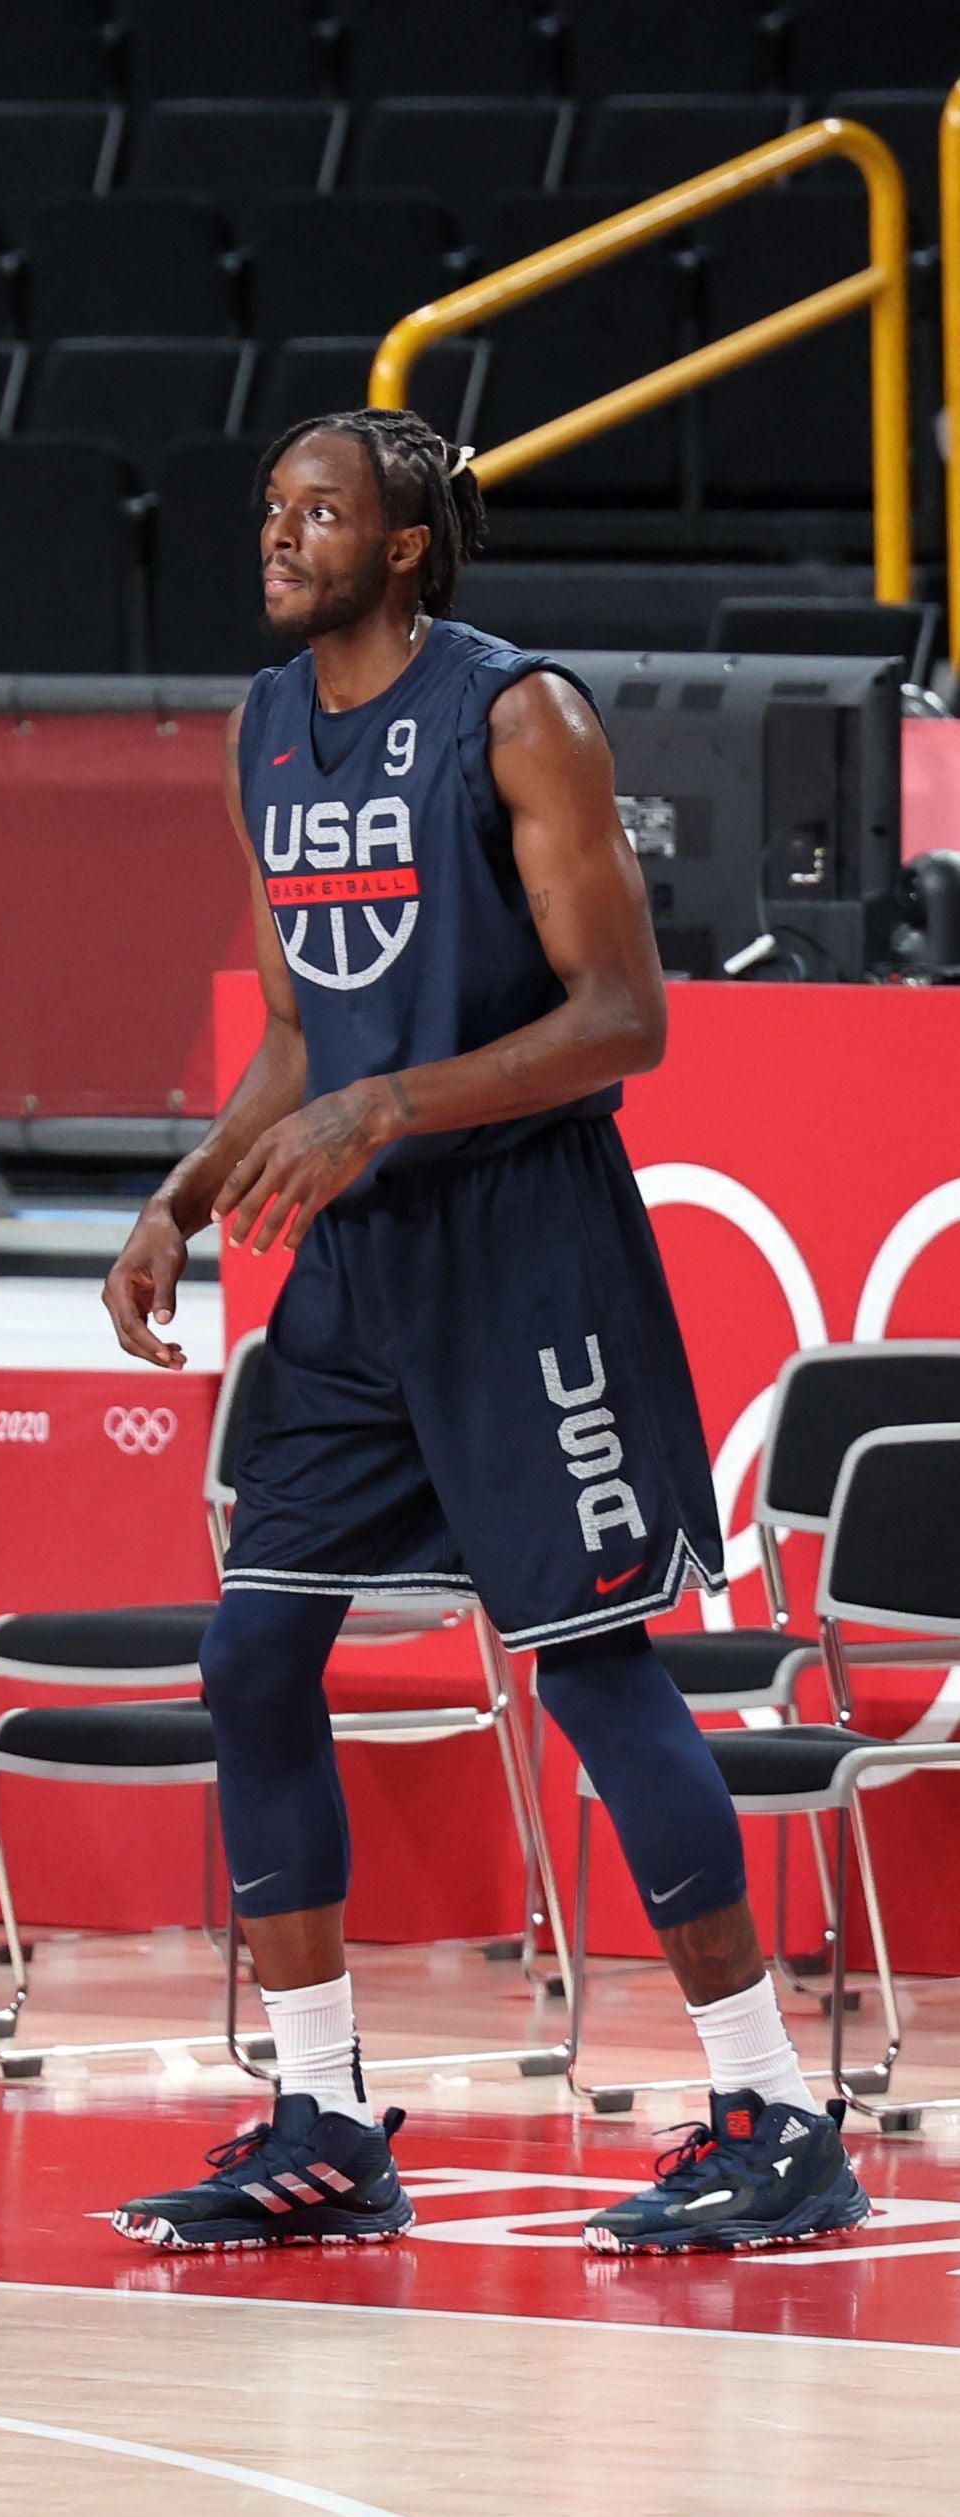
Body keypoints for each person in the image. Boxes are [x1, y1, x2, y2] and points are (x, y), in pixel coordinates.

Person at [101, 412, 868, 2256]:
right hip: (353, 1277)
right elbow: (304, 1026)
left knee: (594, 1667)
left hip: (525, 1250)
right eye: (272, 510)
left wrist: (385, 1109)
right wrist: (186, 1189)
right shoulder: (260, 728)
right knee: (250, 1661)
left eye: (322, 515)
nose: (280, 538)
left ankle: (770, 2109)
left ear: (410, 547)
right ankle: (324, 2116)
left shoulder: (518, 715)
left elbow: (623, 1018)